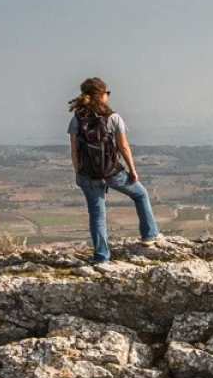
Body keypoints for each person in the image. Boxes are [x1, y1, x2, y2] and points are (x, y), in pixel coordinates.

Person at [67, 77, 159, 263]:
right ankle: (149, 236)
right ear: (101, 95)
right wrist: (132, 170)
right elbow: (123, 147)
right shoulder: (113, 117)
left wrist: (78, 173)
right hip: (113, 172)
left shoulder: (77, 119)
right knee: (141, 195)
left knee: (97, 215)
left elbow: (74, 150)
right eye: (106, 93)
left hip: (88, 175)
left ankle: (102, 257)